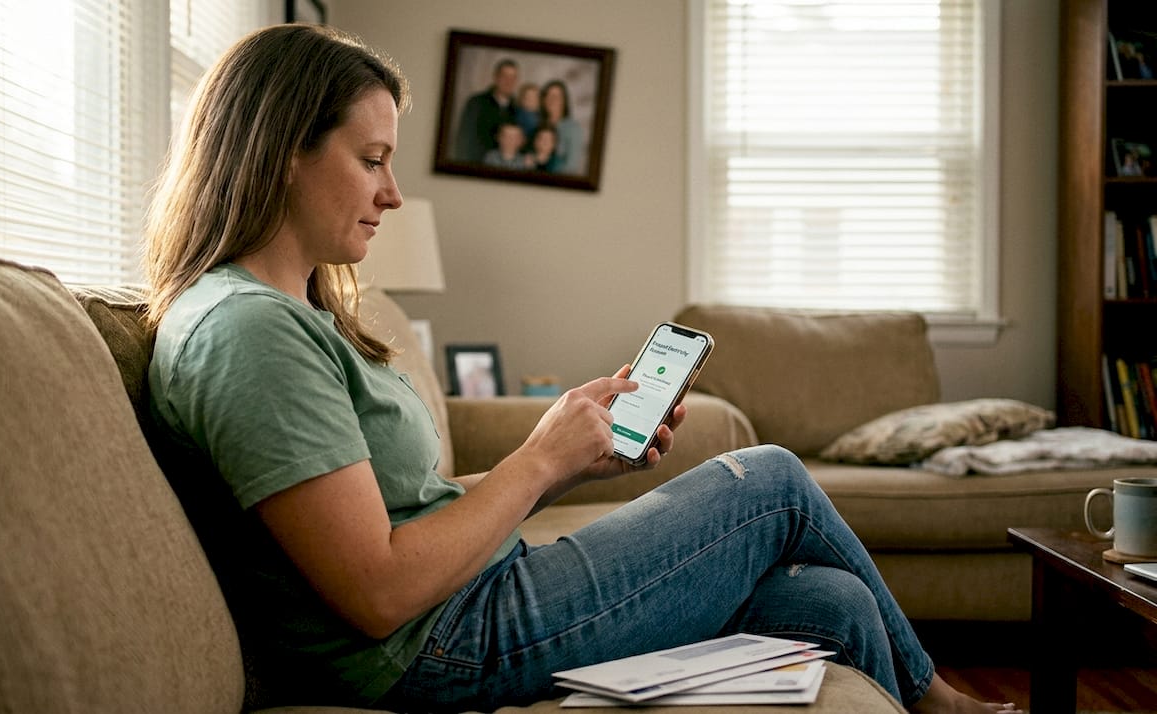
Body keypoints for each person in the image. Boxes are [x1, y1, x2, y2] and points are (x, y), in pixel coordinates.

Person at [142, 23, 1020, 714]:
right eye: (371, 159)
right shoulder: (246, 334)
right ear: (281, 151)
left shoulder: (291, 318)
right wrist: (538, 460)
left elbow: (407, 519)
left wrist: (565, 461)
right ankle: (939, 702)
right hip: (434, 645)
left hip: (460, 603)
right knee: (775, 481)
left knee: (831, 605)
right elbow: (377, 591)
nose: (393, 191)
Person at [453, 57, 518, 164]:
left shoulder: (516, 108)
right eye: (504, 76)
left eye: (513, 78)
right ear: (496, 77)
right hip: (476, 165)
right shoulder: (476, 102)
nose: (508, 81)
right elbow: (464, 138)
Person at [539, 79, 585, 175]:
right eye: (548, 95)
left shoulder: (573, 129)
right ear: (543, 100)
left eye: (556, 97)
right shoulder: (537, 124)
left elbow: (572, 166)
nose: (551, 100)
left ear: (564, 101)